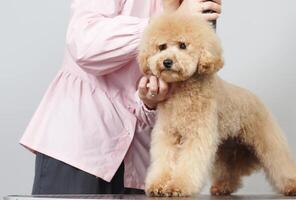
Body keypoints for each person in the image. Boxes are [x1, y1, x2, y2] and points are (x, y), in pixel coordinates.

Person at [20, 0, 221, 195]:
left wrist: (150, 102)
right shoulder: (182, 12)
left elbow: (191, 80)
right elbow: (84, 44)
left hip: (141, 165)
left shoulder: (197, 5)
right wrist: (171, 21)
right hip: (80, 146)